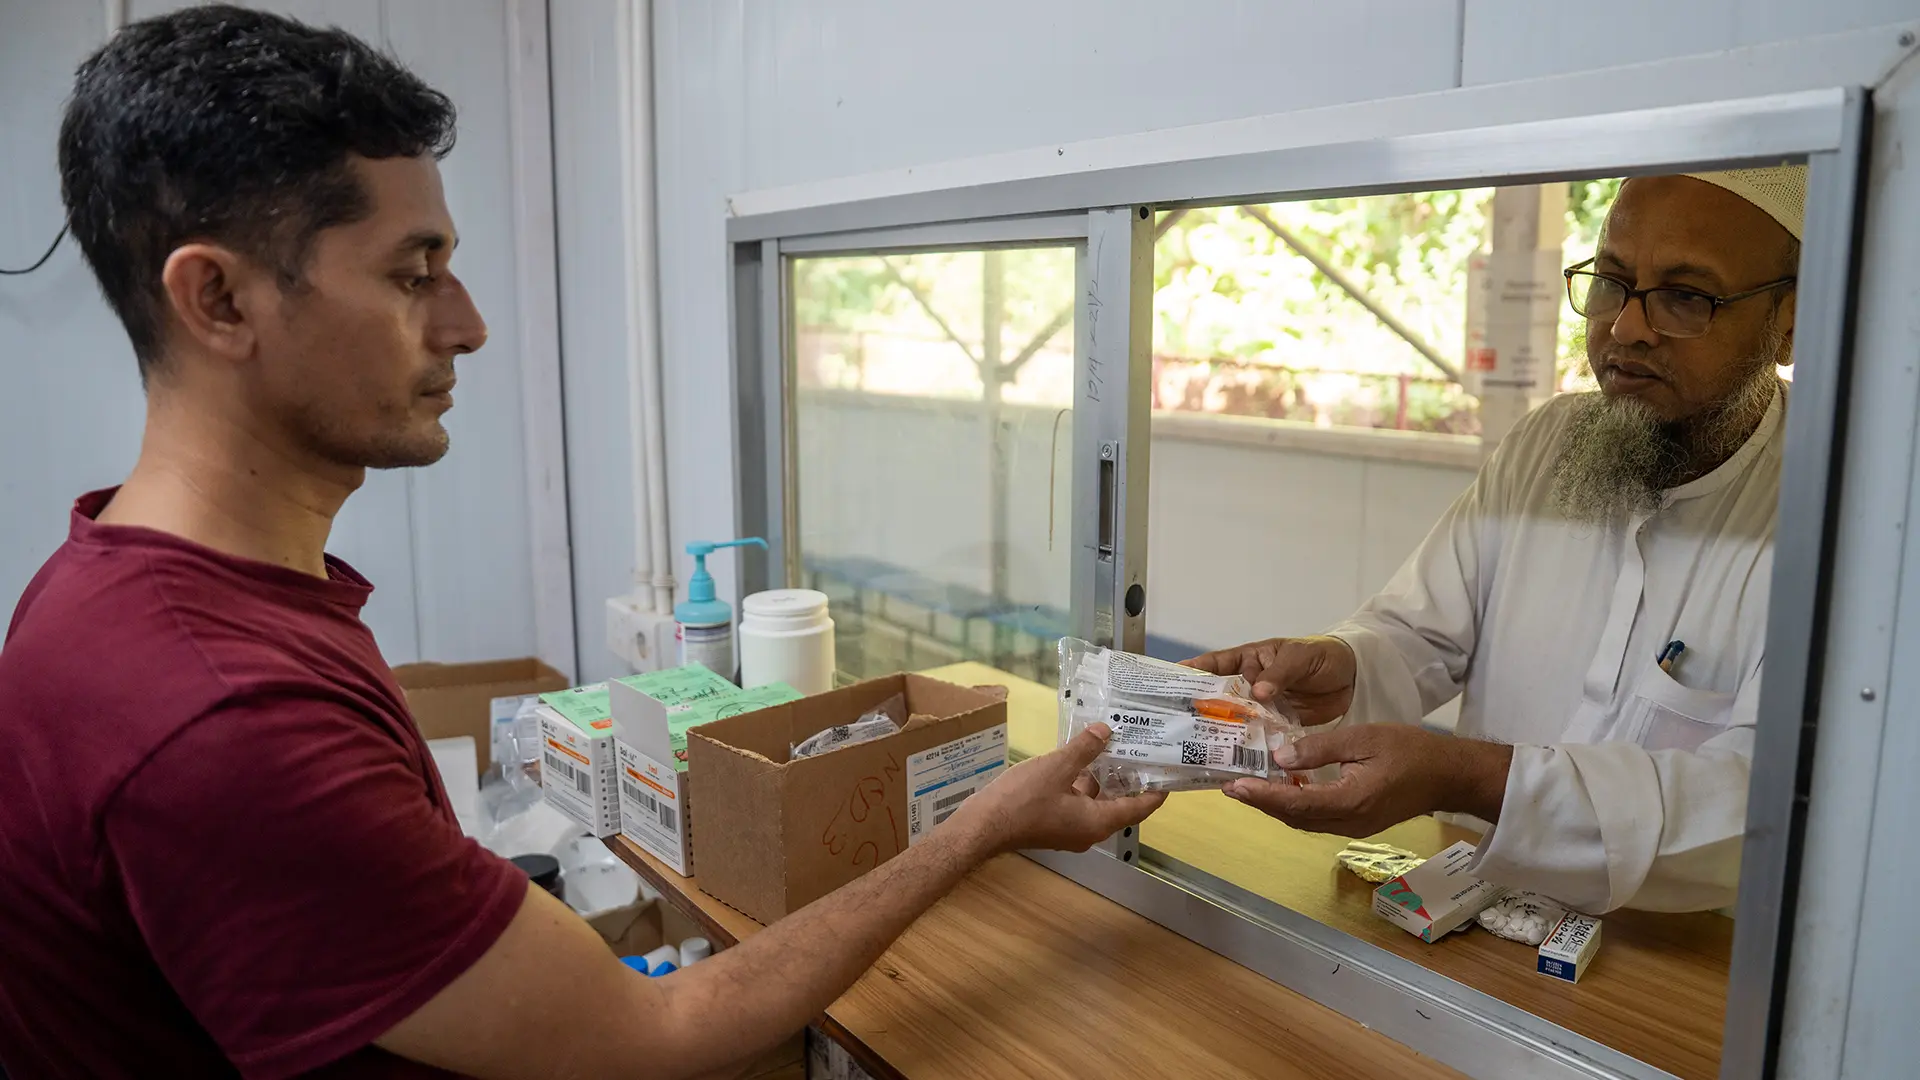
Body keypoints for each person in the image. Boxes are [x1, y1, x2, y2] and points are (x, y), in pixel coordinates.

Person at [0, 9, 1163, 1078]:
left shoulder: (110, 580)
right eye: (415, 276)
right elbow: (649, 1036)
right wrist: (978, 824)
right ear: (219, 302)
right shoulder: (225, 716)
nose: (467, 325)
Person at [1193, 167, 1805, 915]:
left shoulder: (1834, 511)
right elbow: (1420, 633)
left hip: (1680, 970)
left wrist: (1474, 778)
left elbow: (1759, 805)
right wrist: (1343, 668)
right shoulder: (1548, 443)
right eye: (1611, 282)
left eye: (1685, 297)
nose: (1625, 328)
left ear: (1791, 319)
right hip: (1472, 922)